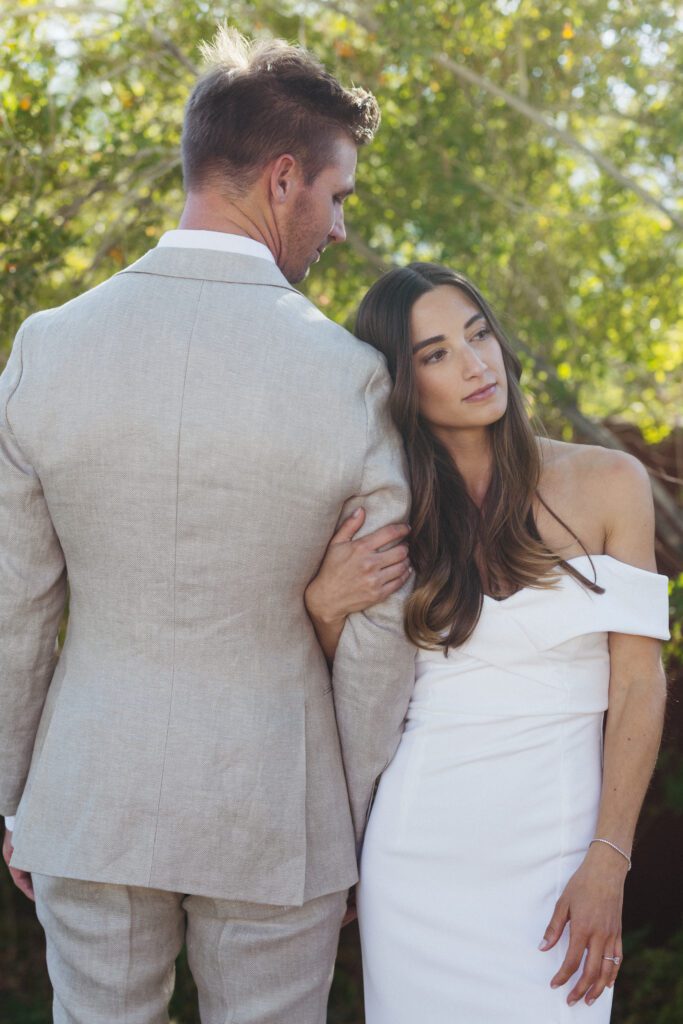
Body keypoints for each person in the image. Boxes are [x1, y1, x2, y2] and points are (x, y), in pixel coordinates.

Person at [0, 29, 416, 1024]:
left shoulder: (47, 349)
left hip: (90, 792)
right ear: (284, 180)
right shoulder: (346, 374)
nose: (338, 227)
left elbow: (13, 608)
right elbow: (377, 625)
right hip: (276, 805)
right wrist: (352, 819)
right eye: (337, 195)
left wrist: (17, 797)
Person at [305, 262, 669, 1022]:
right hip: (415, 856)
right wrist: (324, 607)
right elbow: (351, 683)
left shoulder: (610, 482)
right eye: (435, 353)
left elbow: (639, 683)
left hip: (561, 851)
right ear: (403, 383)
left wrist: (609, 858)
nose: (474, 364)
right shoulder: (386, 509)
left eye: (477, 336)